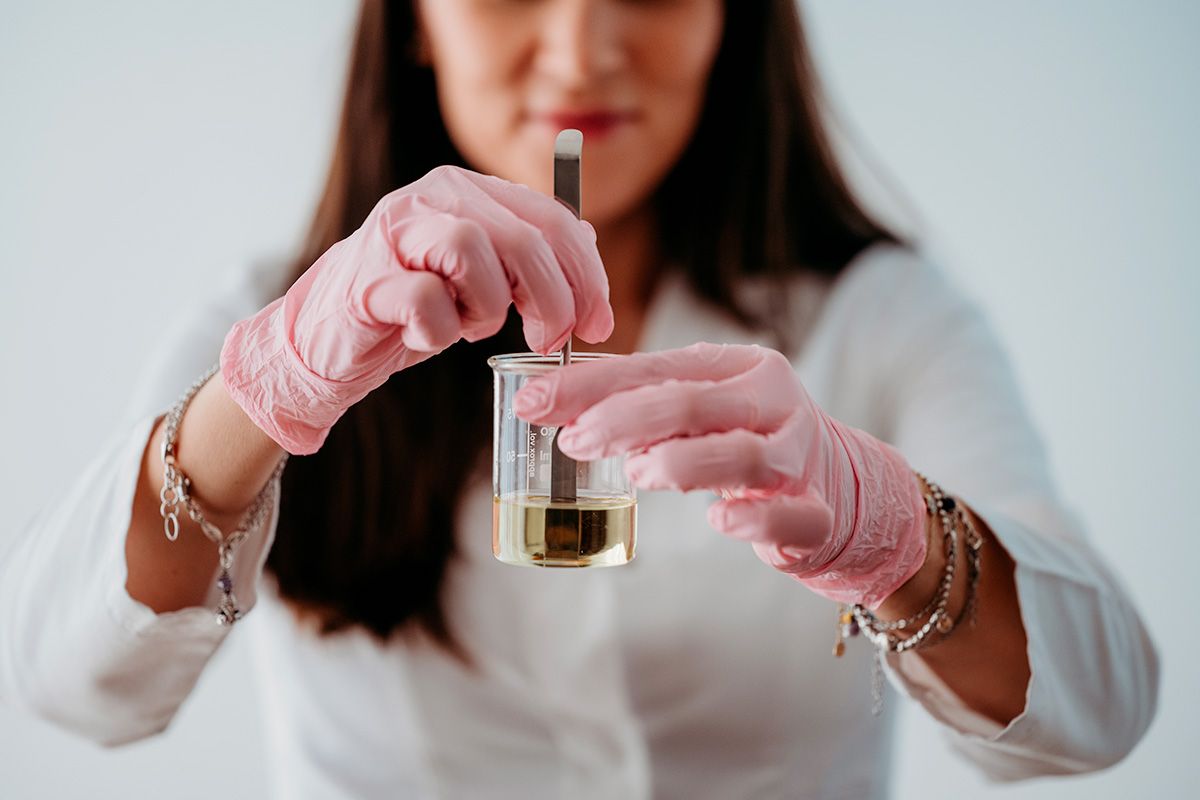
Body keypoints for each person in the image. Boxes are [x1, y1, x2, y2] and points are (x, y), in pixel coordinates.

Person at [0, 1, 1158, 797]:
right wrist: (268, 393)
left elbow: (1100, 705)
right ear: (411, 16)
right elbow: (70, 683)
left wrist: (894, 532)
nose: (580, 46)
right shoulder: (272, 319)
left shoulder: (884, 317)